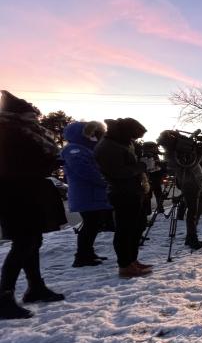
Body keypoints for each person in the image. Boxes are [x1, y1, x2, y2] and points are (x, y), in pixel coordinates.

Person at [0, 91, 66, 319]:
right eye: (31, 114)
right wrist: (47, 160)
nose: (35, 117)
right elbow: (16, 166)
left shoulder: (23, 131)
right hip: (15, 194)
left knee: (32, 241)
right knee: (23, 243)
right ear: (19, 114)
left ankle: (35, 287)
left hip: (28, 190)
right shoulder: (9, 132)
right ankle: (4, 296)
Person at [94, 117, 153, 278]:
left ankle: (132, 260)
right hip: (122, 193)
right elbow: (118, 172)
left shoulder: (122, 142)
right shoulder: (108, 146)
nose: (135, 140)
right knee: (125, 230)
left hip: (134, 191)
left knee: (137, 227)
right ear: (127, 132)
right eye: (134, 136)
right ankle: (125, 265)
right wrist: (142, 166)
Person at [62, 121, 113, 268]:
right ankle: (82, 256)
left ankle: (87, 253)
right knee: (90, 225)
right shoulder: (74, 150)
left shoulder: (87, 149)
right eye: (91, 133)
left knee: (93, 225)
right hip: (86, 193)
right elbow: (85, 170)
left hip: (93, 194)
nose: (94, 136)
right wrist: (105, 181)